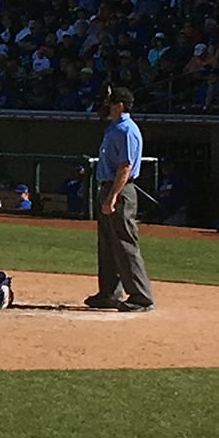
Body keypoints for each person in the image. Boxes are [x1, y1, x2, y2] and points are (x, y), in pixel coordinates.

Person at [87, 88, 153, 311]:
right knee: (107, 244)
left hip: (121, 190)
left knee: (125, 243)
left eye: (110, 101)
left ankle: (141, 297)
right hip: (108, 187)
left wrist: (113, 196)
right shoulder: (113, 128)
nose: (106, 105)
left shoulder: (127, 130)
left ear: (120, 105)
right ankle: (109, 294)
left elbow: (126, 167)